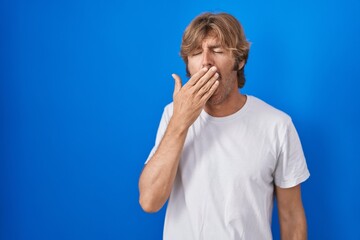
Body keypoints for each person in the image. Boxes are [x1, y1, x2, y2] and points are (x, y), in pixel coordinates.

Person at [139, 12, 310, 240]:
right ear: (188, 66)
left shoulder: (277, 125)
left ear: (240, 61)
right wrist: (180, 122)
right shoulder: (172, 115)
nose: (206, 61)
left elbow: (291, 216)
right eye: (196, 53)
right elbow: (149, 201)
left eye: (217, 51)